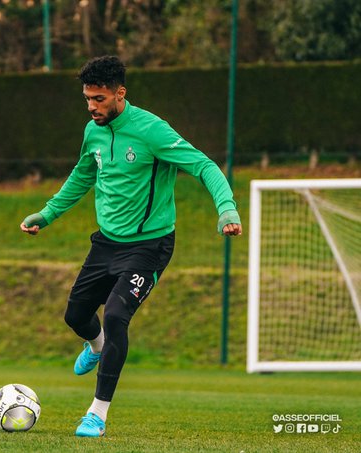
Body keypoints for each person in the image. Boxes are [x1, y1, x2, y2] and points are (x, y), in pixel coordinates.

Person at [19, 55, 242, 438]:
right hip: (106, 243)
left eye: (100, 99)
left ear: (120, 93)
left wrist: (226, 209)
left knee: (117, 315)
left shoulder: (152, 131)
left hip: (149, 246)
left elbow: (204, 165)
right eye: (88, 99)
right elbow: (82, 176)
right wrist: (47, 213)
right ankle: (96, 346)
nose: (92, 107)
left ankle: (97, 414)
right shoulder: (93, 131)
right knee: (76, 316)